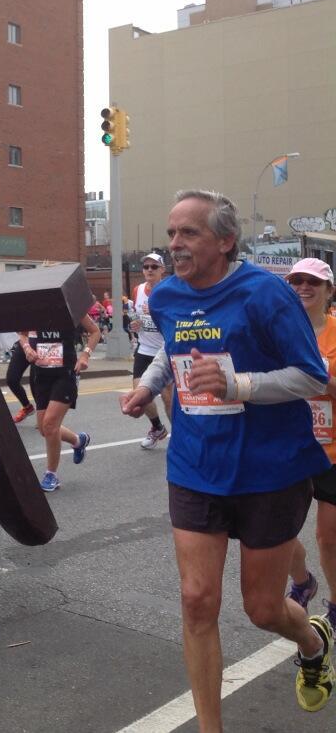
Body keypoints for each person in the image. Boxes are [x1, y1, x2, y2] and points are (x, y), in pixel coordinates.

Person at [120, 189, 334, 722]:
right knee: (196, 601)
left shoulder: (265, 294)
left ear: (225, 240)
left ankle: (312, 645)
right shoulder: (167, 296)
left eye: (188, 233)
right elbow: (172, 356)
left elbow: (312, 375)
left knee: (262, 609)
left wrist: (237, 385)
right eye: (171, 233)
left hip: (271, 470)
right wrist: (148, 386)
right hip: (196, 465)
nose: (174, 245)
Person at [283, 258, 336, 631]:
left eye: (313, 282)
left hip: (332, 450)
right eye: (297, 281)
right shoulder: (280, 331)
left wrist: (317, 375)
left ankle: (335, 605)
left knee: (327, 536)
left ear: (329, 291)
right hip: (288, 446)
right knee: (274, 532)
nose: (303, 287)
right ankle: (303, 581)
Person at [24, 308, 100, 492]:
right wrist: (27, 348)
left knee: (50, 425)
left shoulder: (70, 304)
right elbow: (22, 334)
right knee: (45, 429)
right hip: (40, 374)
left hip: (65, 374)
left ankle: (51, 474)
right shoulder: (31, 304)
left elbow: (95, 331)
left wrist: (85, 355)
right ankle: (78, 440)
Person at [129, 252, 172, 449]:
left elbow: (175, 320)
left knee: (167, 396)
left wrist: (157, 316)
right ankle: (157, 427)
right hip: (144, 349)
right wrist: (135, 325)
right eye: (146, 267)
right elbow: (135, 318)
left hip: (165, 350)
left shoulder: (170, 290)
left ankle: (179, 437)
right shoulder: (137, 290)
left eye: (154, 267)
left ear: (162, 269)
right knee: (139, 393)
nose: (149, 270)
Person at [7, 333, 35, 423]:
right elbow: (20, 331)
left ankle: (43, 414)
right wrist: (26, 347)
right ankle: (27, 407)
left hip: (42, 344)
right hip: (25, 342)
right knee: (12, 379)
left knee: (36, 384)